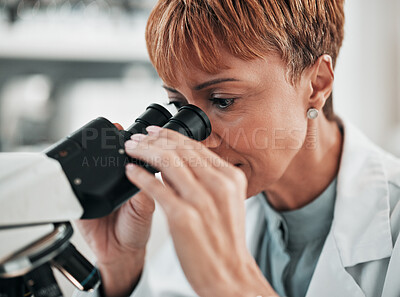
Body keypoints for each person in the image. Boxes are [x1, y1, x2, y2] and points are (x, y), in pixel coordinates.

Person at [74, 1, 400, 297]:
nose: (195, 139)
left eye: (222, 101)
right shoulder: (208, 210)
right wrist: (122, 269)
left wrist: (237, 284)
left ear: (316, 84)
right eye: (178, 106)